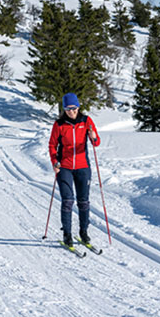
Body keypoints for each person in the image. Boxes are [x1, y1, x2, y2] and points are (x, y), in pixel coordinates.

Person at [48, 93, 100, 247]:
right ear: (64, 109)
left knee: (83, 202)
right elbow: (52, 145)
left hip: (83, 167)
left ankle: (84, 232)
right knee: (68, 201)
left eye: (74, 108)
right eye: (68, 109)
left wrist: (93, 136)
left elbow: (96, 143)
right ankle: (67, 234)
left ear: (78, 107)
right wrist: (55, 161)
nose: (71, 111)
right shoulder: (59, 124)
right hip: (64, 167)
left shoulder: (86, 121)